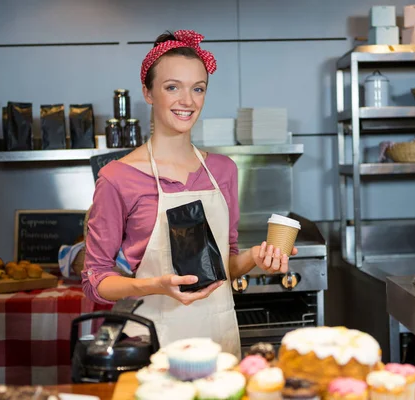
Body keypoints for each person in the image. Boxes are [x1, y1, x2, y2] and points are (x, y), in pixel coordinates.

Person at [82, 29, 297, 357]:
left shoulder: (223, 171)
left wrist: (254, 257)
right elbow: (96, 280)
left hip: (218, 343)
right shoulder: (117, 178)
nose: (188, 101)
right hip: (152, 345)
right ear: (149, 92)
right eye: (172, 88)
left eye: (198, 89)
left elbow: (224, 263)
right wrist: (155, 285)